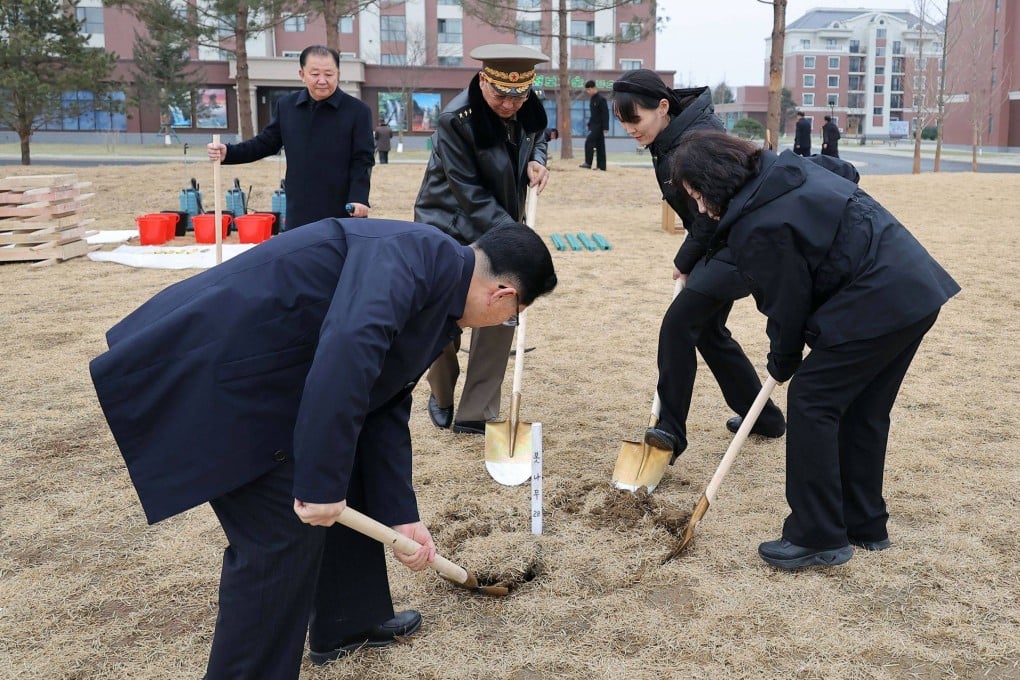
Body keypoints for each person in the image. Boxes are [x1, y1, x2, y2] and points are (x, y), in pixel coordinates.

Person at [89, 219, 557, 678]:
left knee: (342, 461)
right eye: (511, 317)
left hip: (265, 377)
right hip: (212, 373)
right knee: (280, 542)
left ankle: (347, 621)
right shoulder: (410, 260)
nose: (502, 323)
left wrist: (401, 515)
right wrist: (319, 484)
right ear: (504, 295)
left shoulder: (438, 286)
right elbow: (348, 353)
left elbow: (384, 404)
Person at [671, 130, 960, 570]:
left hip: (878, 300)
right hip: (914, 289)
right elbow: (846, 173)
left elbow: (786, 301)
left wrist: (783, 361)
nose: (696, 205)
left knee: (812, 399)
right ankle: (864, 524)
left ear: (712, 183)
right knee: (862, 409)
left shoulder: (758, 225)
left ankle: (817, 534)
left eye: (694, 193)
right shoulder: (790, 169)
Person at [610, 69, 786, 465]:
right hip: (721, 244)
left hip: (740, 244)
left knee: (678, 325)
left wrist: (685, 260)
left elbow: (712, 214)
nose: (629, 130)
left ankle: (669, 432)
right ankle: (765, 418)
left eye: (634, 119)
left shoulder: (695, 139)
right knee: (707, 331)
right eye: (622, 122)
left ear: (663, 107)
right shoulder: (671, 134)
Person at [414, 44, 551, 435]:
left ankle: (476, 410)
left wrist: (538, 159)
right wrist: (517, 237)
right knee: (441, 317)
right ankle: (441, 393)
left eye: (519, 95)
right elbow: (469, 194)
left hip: (505, 222)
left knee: (503, 310)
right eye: (500, 95)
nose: (510, 105)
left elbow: (538, 133)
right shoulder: (456, 120)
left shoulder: (527, 104)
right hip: (450, 226)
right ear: (482, 80)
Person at [206, 45, 374, 229]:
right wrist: (229, 153)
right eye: (315, 74)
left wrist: (359, 197)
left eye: (329, 74)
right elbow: (266, 143)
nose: (322, 80)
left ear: (338, 74)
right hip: (300, 206)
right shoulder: (287, 106)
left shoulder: (358, 111)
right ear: (302, 74)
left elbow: (363, 159)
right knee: (298, 255)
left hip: (343, 207)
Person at [579, 80, 609, 171]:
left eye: (588, 90)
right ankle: (601, 167)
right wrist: (589, 124)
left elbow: (605, 114)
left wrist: (605, 127)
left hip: (599, 126)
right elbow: (593, 114)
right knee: (600, 146)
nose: (588, 92)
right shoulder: (592, 100)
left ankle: (588, 163)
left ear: (592, 88)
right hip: (594, 125)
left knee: (589, 141)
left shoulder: (601, 99)